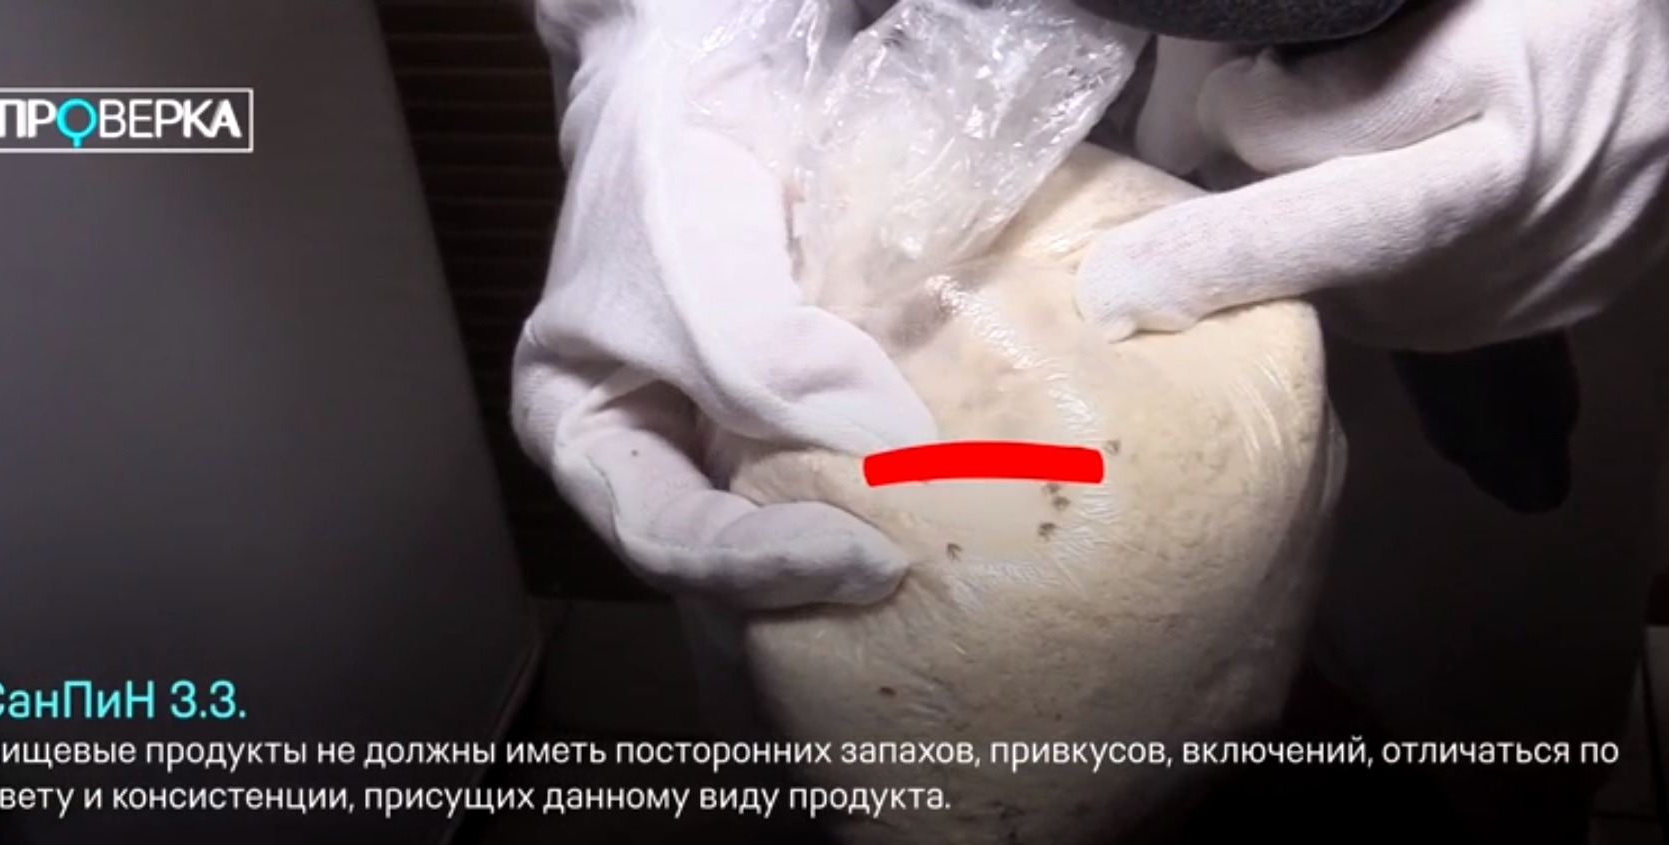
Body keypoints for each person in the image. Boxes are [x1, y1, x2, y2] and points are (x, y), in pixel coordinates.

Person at [515, 0, 1669, 839]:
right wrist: (676, 49)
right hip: (855, 163)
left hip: (1481, 110)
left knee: (1469, 732)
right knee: (922, 731)